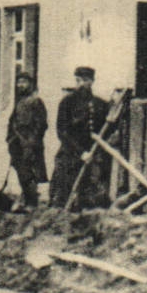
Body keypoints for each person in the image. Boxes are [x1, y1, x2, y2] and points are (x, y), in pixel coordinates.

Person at [51, 66, 111, 209]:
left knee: (93, 196)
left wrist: (94, 152)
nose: (82, 84)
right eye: (79, 80)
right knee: (63, 194)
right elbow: (62, 132)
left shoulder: (100, 104)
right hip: (71, 154)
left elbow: (105, 131)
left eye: (86, 80)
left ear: (92, 81)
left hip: (93, 155)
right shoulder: (67, 103)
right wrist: (80, 153)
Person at [5, 70, 48, 209]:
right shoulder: (20, 102)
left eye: (24, 82)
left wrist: (31, 142)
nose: (20, 85)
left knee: (29, 173)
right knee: (22, 171)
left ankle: (31, 203)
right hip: (17, 143)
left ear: (30, 84)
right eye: (19, 82)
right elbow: (13, 123)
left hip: (30, 144)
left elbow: (41, 124)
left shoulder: (36, 101)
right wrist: (11, 139)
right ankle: (27, 200)